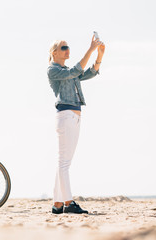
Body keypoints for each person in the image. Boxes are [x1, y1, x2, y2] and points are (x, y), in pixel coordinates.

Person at [47, 35, 105, 214]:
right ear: (54, 52)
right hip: (66, 116)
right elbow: (76, 71)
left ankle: (57, 204)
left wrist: (99, 56)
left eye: (68, 47)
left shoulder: (68, 71)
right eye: (64, 48)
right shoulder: (53, 70)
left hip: (73, 117)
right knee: (64, 163)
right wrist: (90, 49)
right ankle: (68, 203)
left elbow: (88, 73)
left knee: (63, 162)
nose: (67, 50)